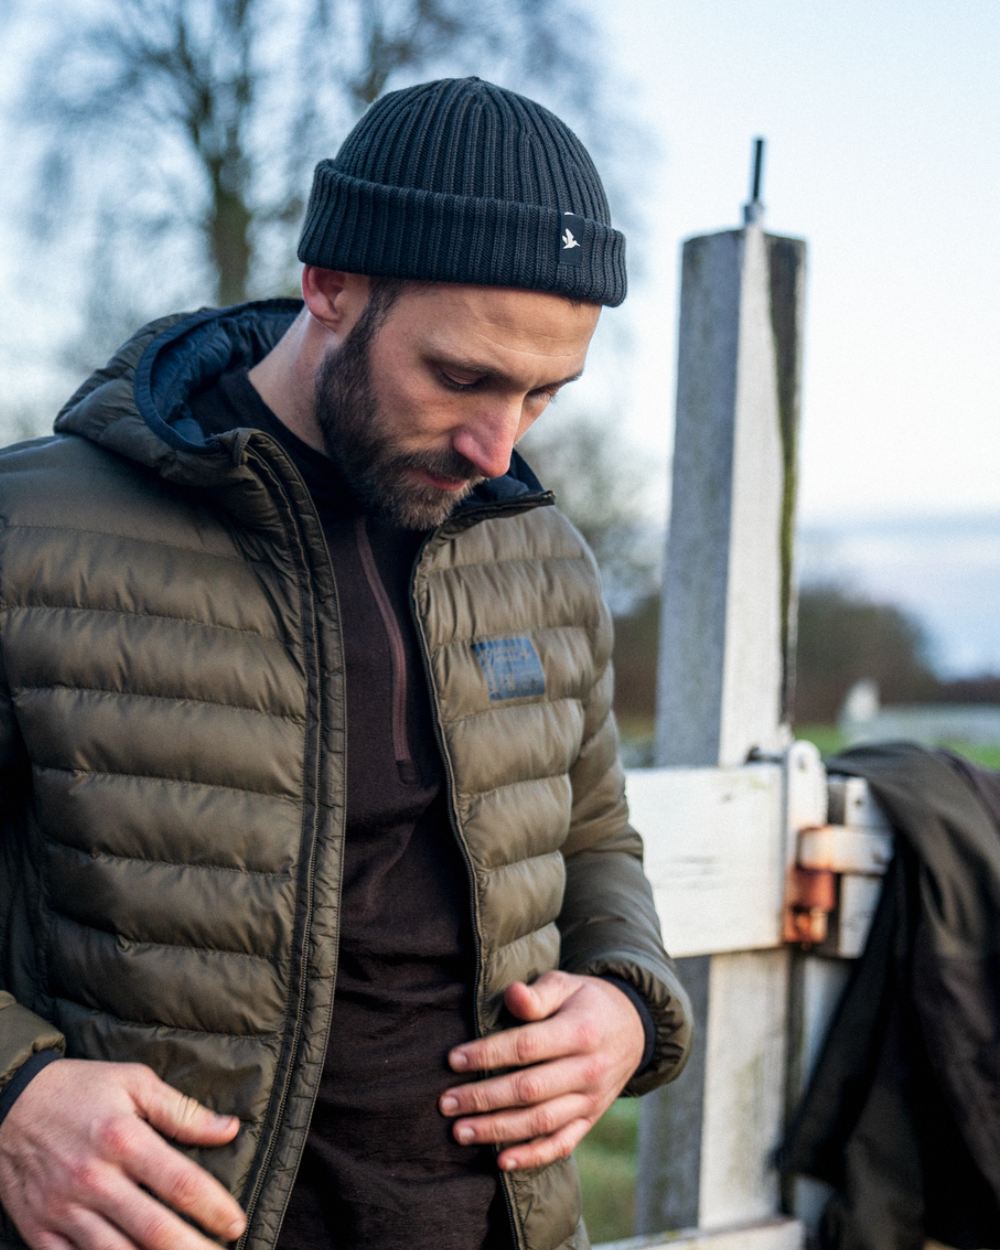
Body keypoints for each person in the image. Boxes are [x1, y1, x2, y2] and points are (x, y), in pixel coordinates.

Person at [0, 77, 691, 1250]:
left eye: (541, 393)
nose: (498, 444)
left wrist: (625, 996)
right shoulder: (31, 530)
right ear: (329, 286)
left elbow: (591, 839)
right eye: (462, 376)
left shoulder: (541, 553)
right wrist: (13, 1096)